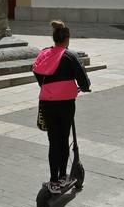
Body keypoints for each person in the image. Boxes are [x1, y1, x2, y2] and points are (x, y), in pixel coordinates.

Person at [32, 20, 90, 193]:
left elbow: (35, 70)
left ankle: (53, 179)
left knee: (52, 141)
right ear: (67, 39)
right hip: (65, 104)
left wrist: (46, 86)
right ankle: (63, 176)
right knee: (63, 140)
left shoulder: (43, 54)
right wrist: (85, 87)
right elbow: (83, 80)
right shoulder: (69, 56)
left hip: (47, 102)